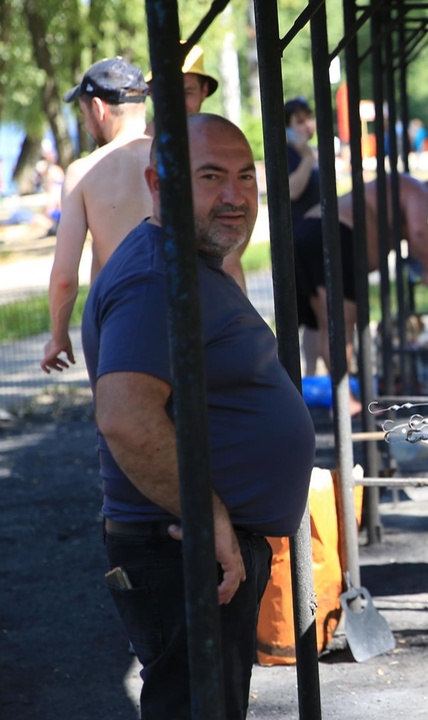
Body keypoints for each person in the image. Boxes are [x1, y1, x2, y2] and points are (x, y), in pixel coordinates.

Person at [81, 113, 315, 720]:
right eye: (210, 177)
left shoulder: (186, 265)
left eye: (245, 177)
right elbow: (125, 418)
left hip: (199, 546)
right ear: (160, 183)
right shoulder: (156, 279)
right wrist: (208, 515)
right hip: (182, 548)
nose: (234, 196)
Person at [41, 57, 153, 374]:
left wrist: (58, 337)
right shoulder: (177, 157)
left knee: (120, 419)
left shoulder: (83, 172)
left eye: (83, 110)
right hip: (187, 307)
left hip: (123, 318)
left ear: (99, 109)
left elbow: (64, 277)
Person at [296, 174, 428, 382]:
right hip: (333, 235)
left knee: (325, 322)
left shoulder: (395, 195)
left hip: (309, 232)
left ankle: (330, 390)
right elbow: (418, 232)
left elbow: (412, 238)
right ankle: (345, 400)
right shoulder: (418, 191)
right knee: (340, 322)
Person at [145, 44, 253, 293]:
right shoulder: (138, 152)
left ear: (204, 91)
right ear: (151, 92)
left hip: (219, 292)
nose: (176, 104)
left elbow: (234, 248)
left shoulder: (220, 146)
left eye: (186, 92)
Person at [284, 97, 321, 229]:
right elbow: (292, 191)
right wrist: (307, 157)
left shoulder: (312, 150)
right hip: (297, 233)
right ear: (287, 128)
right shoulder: (284, 154)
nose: (307, 125)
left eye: (309, 118)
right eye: (300, 122)